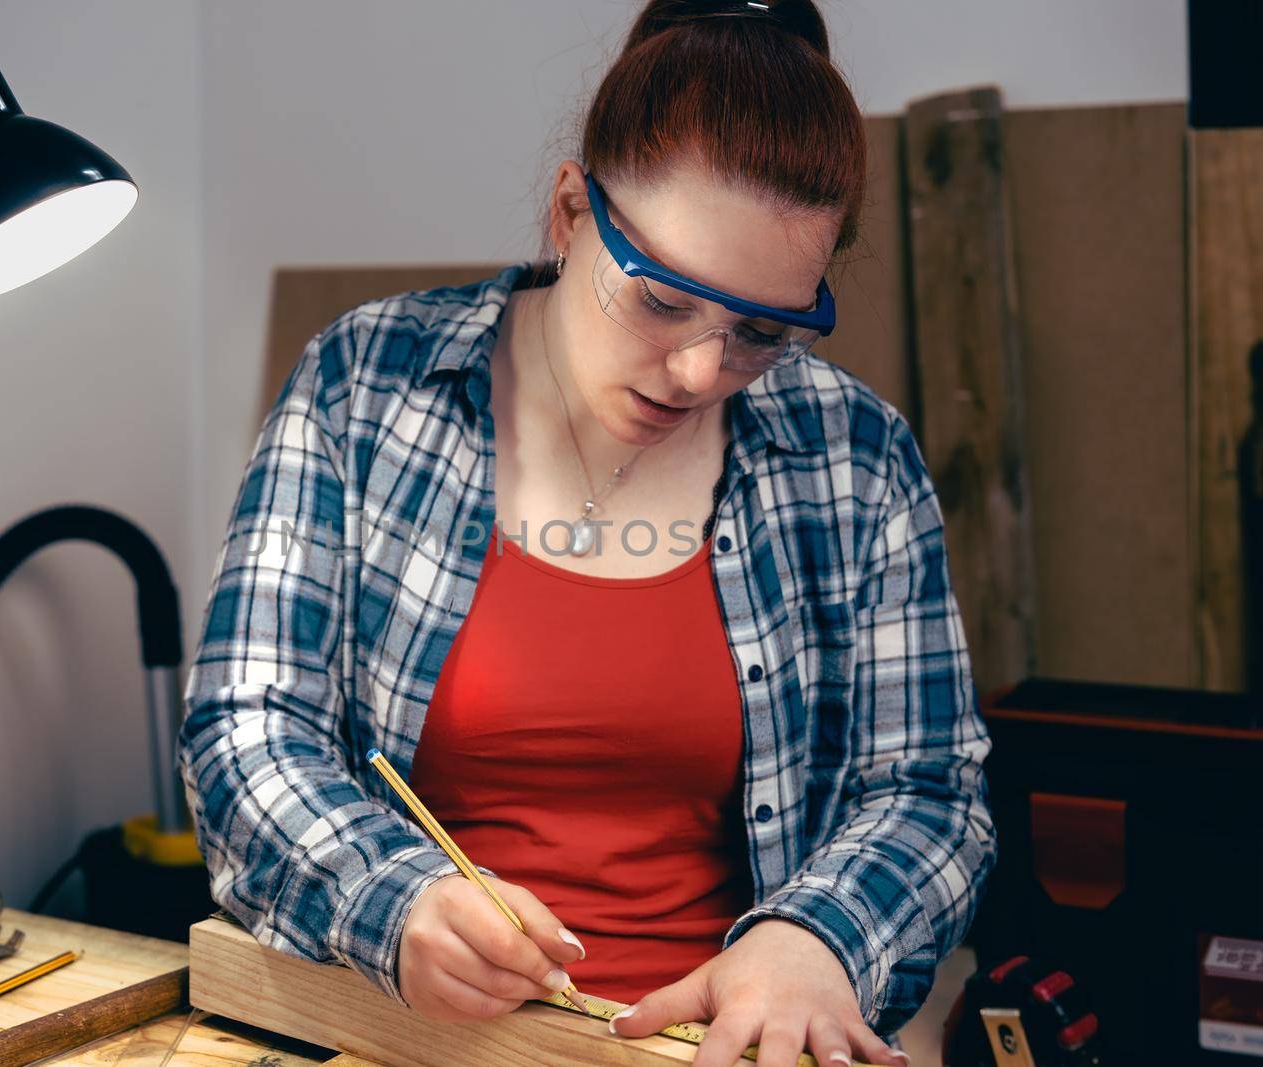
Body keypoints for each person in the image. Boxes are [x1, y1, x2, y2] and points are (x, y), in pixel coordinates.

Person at [179, 1, 997, 1064]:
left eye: (761, 330)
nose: (703, 371)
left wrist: (817, 940)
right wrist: (396, 899)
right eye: (660, 301)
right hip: (403, 1036)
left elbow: (928, 788)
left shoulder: (853, 454)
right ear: (570, 211)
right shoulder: (361, 386)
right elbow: (245, 728)